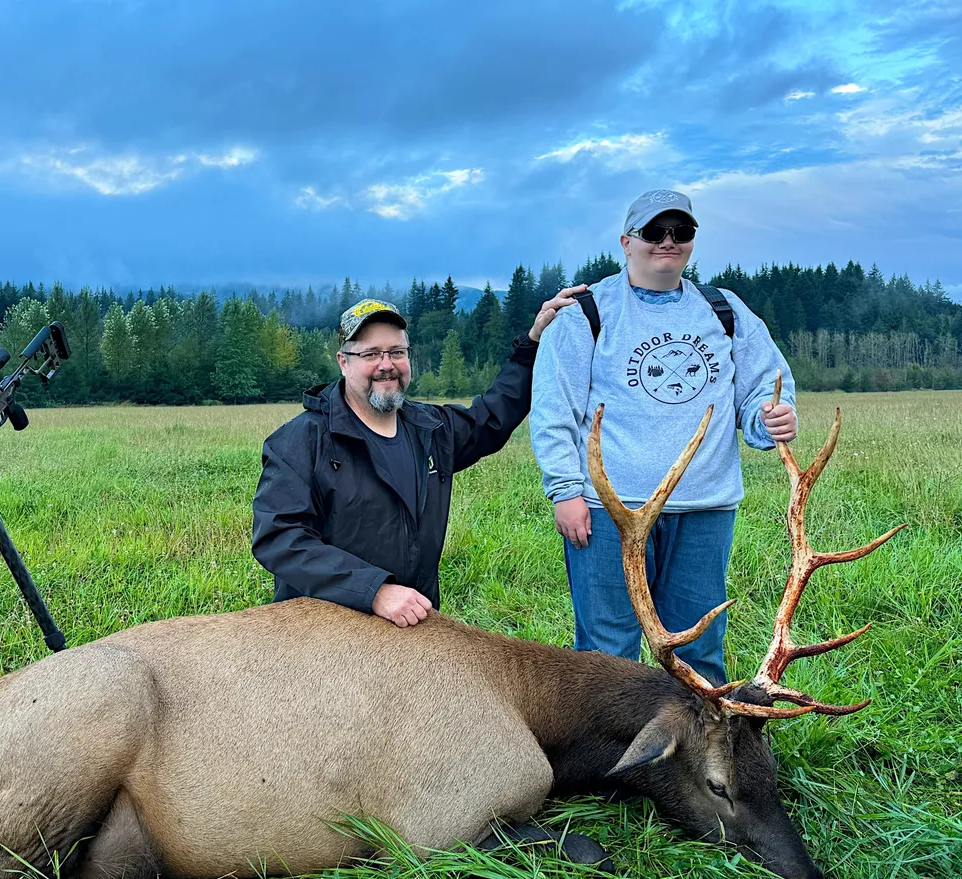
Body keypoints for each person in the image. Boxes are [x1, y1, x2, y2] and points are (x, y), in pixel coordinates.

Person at [529, 189, 798, 685]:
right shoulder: (586, 314)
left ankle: (701, 758)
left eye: (681, 232)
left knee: (699, 650)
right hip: (609, 511)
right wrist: (565, 492)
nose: (668, 242)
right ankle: (610, 762)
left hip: (705, 510)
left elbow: (763, 387)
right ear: (627, 241)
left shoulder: (725, 310)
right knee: (607, 654)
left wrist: (772, 420)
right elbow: (552, 409)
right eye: (655, 232)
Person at [252, 292, 581, 627]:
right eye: (371, 354)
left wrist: (531, 344)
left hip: (411, 630)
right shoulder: (301, 440)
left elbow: (491, 418)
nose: (386, 365)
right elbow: (280, 538)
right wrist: (374, 591)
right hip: (326, 636)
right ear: (343, 361)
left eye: (397, 352)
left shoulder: (430, 429)